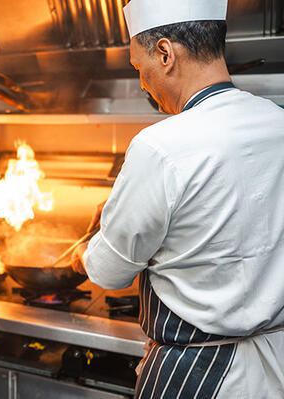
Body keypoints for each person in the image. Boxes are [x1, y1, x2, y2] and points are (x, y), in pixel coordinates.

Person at [71, 0, 284, 397]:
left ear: (166, 54)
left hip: (200, 375)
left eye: (139, 67)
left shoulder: (160, 146)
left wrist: (86, 252)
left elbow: (109, 271)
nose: (142, 83)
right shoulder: (278, 122)